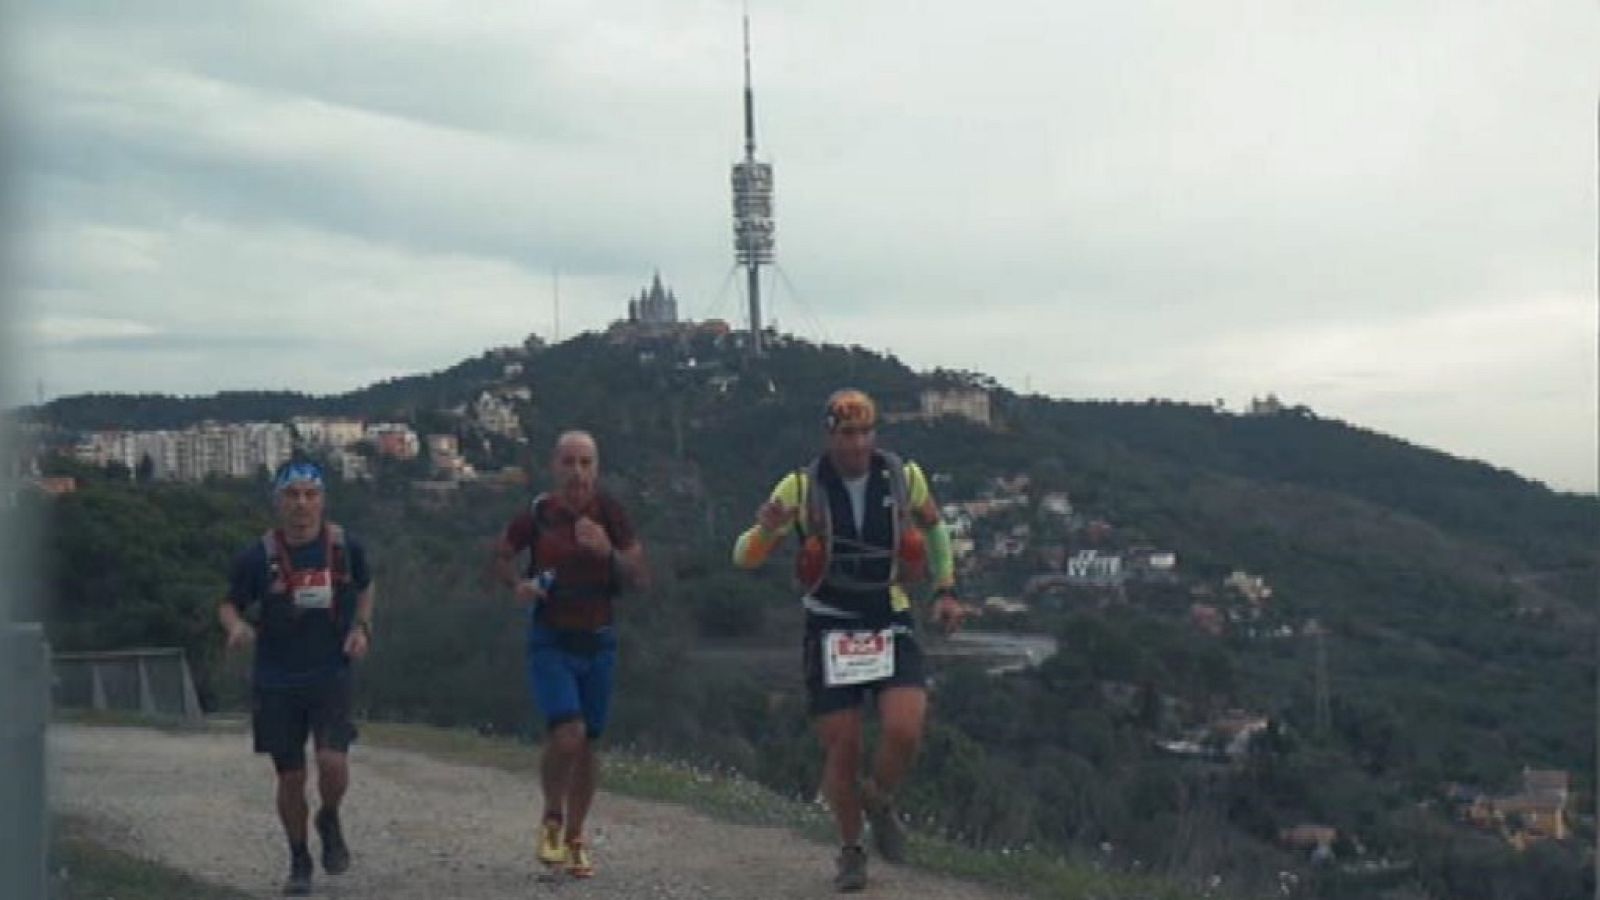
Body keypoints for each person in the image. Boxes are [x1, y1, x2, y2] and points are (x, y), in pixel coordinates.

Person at [732, 388, 965, 892]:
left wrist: (945, 588)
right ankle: (851, 849)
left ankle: (878, 799)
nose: (857, 444)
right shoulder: (800, 486)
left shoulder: (903, 476)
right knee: (844, 746)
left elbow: (935, 528)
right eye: (846, 434)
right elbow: (744, 557)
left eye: (864, 433)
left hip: (888, 613)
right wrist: (765, 531)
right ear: (829, 435)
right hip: (831, 622)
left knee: (905, 728)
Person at [492, 430, 649, 879]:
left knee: (589, 743)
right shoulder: (538, 514)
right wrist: (518, 585)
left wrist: (608, 551)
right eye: (568, 462)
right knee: (567, 734)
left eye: (585, 463)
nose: (577, 472)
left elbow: (641, 577)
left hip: (599, 640)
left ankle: (576, 836)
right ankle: (552, 817)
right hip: (551, 640)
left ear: (596, 469)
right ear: (554, 467)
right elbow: (501, 556)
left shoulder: (611, 514)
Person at [219, 460, 374, 896]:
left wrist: (362, 629)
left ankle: (329, 815)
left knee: (332, 762)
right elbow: (228, 603)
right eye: (292, 495)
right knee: (290, 777)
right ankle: (299, 857)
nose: (301, 504)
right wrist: (235, 627)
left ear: (322, 500)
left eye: (310, 495)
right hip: (276, 679)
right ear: (278, 502)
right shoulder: (257, 556)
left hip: (330, 671)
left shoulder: (344, 546)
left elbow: (366, 586)